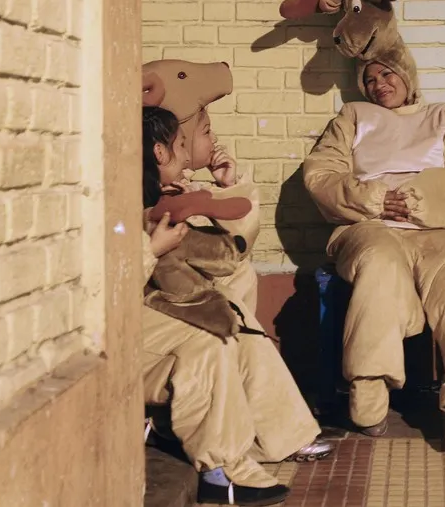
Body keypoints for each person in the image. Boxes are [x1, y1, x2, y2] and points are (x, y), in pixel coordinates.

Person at [303, 56, 445, 457]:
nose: (378, 83)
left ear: (407, 74)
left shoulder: (444, 117)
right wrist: (377, 200)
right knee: (380, 270)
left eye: (387, 73)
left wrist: (420, 200)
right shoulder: (353, 116)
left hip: (436, 229)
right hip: (370, 226)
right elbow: (322, 175)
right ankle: (368, 394)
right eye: (369, 79)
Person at [141, 73, 332, 506]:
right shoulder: (130, 201)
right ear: (161, 150)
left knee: (235, 325)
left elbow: (233, 251)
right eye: (189, 139)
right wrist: (151, 248)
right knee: (215, 337)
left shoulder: (174, 191)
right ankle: (222, 468)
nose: (194, 149)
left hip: (162, 306)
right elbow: (111, 274)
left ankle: (275, 439)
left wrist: (229, 187)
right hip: (134, 320)